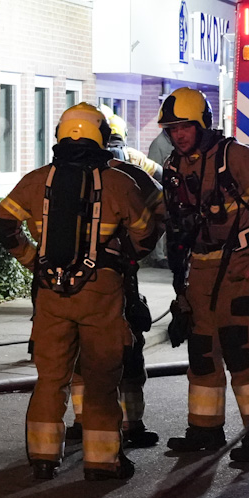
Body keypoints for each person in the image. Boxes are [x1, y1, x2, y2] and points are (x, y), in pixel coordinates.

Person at [0, 103, 160, 480]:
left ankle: (43, 458)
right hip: (102, 293)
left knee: (51, 379)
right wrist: (122, 258)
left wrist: (31, 259)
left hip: (50, 294)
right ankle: (102, 462)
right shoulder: (120, 182)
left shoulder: (37, 180)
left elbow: (3, 220)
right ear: (100, 137)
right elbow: (146, 232)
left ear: (59, 136)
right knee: (101, 379)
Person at [156, 86, 249, 465]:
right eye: (172, 129)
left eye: (184, 127)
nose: (178, 135)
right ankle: (205, 429)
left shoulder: (237, 158)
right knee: (201, 351)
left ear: (202, 124)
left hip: (239, 264)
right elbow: (178, 226)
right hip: (200, 268)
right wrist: (179, 280)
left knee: (238, 349)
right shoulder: (176, 167)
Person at [65, 109, 164, 448]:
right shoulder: (130, 170)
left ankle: (82, 421)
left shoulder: (59, 174)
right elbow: (162, 199)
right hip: (118, 275)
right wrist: (137, 249)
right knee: (127, 350)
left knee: (80, 352)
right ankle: (130, 424)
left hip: (70, 279)